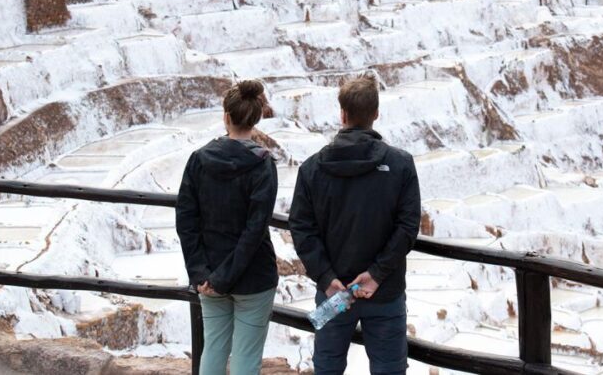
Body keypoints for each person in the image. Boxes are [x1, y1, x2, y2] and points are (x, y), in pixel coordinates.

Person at [289, 76, 421, 375]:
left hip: (333, 296)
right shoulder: (401, 164)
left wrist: (326, 278)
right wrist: (376, 274)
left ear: (343, 114)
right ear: (376, 114)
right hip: (384, 292)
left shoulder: (311, 169)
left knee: (327, 366)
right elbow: (407, 226)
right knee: (389, 369)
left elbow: (301, 228)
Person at [176, 80, 279, 375]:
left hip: (209, 273)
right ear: (256, 120)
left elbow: (186, 219)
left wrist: (201, 273)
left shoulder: (199, 160)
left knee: (213, 350)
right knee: (246, 358)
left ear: (226, 117)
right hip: (253, 277)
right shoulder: (262, 165)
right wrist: (225, 277)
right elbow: (255, 229)